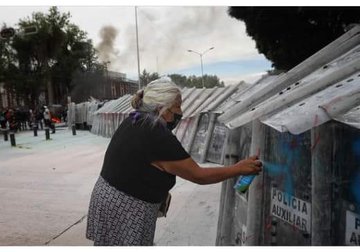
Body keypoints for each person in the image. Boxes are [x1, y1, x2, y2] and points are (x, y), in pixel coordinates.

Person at [85, 77, 262, 246]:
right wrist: (239, 168)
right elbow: (199, 175)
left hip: (107, 196)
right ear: (162, 108)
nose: (180, 112)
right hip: (126, 208)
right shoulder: (156, 134)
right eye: (177, 106)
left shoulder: (135, 119)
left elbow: (137, 166)